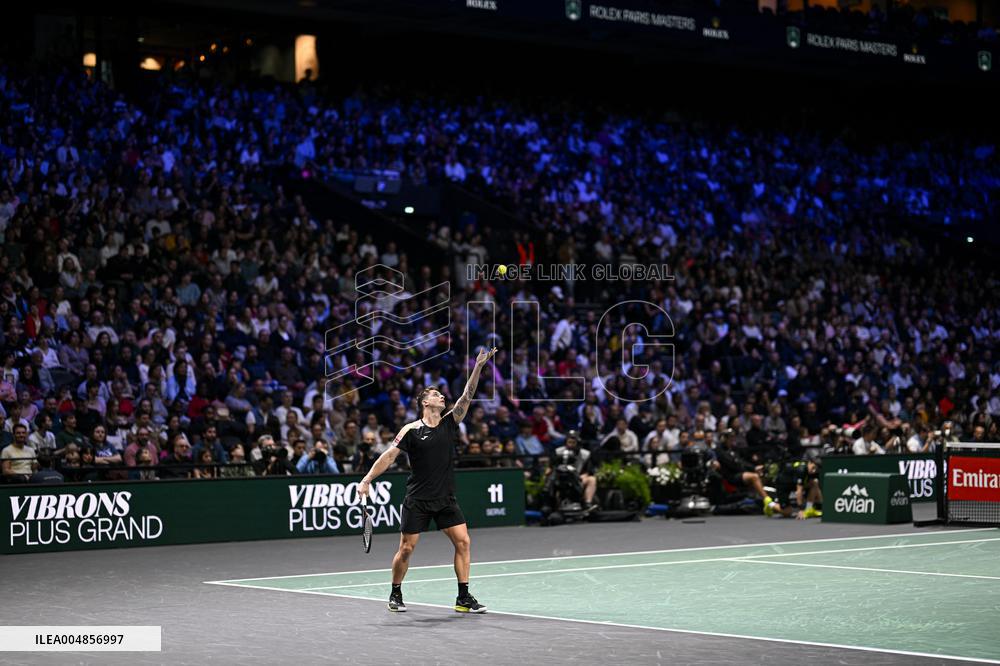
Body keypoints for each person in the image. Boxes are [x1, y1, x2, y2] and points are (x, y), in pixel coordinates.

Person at [359, 346, 497, 614]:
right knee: (407, 549)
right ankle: (395, 592)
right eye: (436, 394)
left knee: (464, 542)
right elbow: (388, 457)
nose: (441, 396)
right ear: (425, 402)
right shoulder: (410, 430)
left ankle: (463, 597)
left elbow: (467, 396)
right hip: (418, 500)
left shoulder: (449, 422)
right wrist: (366, 479)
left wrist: (478, 366)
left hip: (445, 498)